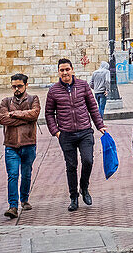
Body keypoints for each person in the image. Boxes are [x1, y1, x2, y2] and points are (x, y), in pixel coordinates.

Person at [45, 58, 108, 212]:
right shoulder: (53, 90)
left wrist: (99, 125)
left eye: (67, 69)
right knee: (71, 166)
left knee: (88, 160)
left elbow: (93, 106)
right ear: (58, 72)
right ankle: (74, 197)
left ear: (72, 70)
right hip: (66, 134)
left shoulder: (83, 85)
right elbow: (48, 113)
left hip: (85, 130)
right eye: (62, 70)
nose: (65, 72)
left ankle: (84, 187)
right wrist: (56, 132)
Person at [0, 73, 40, 219]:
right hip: (11, 144)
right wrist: (24, 118)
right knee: (13, 175)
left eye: (19, 86)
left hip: (29, 143)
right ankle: (13, 206)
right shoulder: (5, 101)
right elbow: (3, 119)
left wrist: (14, 114)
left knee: (26, 173)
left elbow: (34, 114)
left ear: (26, 85)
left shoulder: (33, 99)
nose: (16, 89)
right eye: (14, 86)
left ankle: (24, 198)